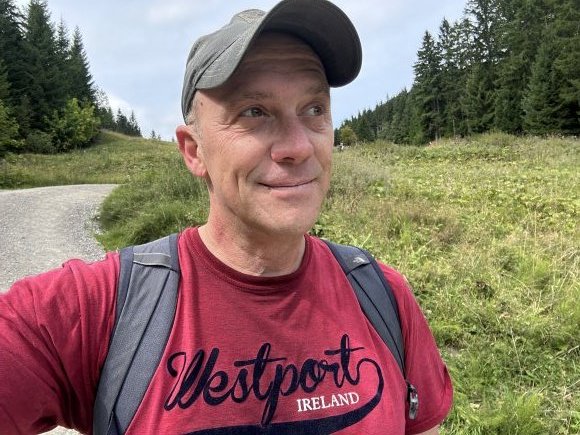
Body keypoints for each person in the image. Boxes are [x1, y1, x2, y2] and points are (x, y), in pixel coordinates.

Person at [0, 0, 452, 433]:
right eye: (255, 112)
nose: (298, 147)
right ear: (193, 151)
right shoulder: (102, 308)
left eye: (314, 109)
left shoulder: (383, 297)